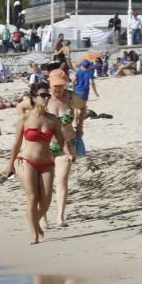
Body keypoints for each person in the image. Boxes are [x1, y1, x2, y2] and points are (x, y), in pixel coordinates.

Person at [4, 82, 71, 245]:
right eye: (43, 95)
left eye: (48, 95)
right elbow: (17, 144)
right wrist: (10, 164)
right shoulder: (25, 118)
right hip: (27, 162)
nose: (46, 98)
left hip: (47, 163)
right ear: (34, 98)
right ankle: (34, 233)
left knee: (46, 200)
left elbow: (61, 141)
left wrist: (68, 154)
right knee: (33, 198)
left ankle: (35, 221)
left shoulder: (52, 119)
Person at [45, 69, 86, 228]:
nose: (58, 89)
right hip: (48, 145)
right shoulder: (44, 99)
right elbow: (25, 111)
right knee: (46, 181)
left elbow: (83, 107)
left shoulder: (70, 97)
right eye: (56, 86)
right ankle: (43, 217)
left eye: (61, 85)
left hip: (68, 144)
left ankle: (60, 217)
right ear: (50, 83)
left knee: (61, 179)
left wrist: (80, 125)